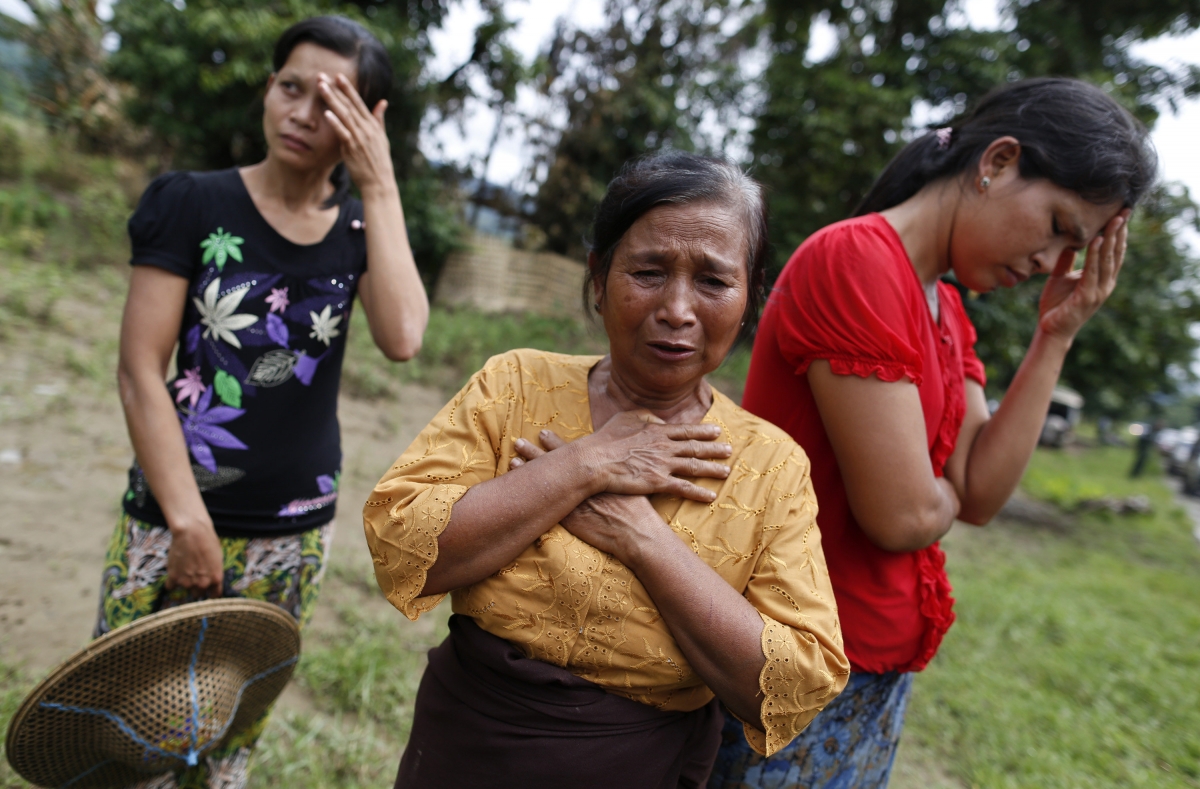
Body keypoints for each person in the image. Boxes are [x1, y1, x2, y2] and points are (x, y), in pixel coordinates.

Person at [711, 77, 1156, 788]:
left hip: (870, 672)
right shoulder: (856, 262)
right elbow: (903, 515)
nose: (1052, 262)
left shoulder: (946, 305)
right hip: (797, 662)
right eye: (1058, 227)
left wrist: (1056, 336)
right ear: (998, 163)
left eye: (1075, 247)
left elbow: (976, 493)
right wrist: (934, 496)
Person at [364, 152, 850, 788]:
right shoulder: (514, 385)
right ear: (599, 277)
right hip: (466, 746)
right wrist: (584, 463)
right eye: (648, 271)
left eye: (712, 281)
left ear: (751, 297)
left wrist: (637, 535)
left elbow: (793, 679)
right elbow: (404, 545)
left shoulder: (772, 466)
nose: (677, 309)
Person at [98, 16, 429, 787]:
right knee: (123, 730)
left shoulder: (359, 230)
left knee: (229, 732)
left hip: (293, 536)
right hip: (169, 519)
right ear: (266, 90)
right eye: (290, 88)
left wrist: (378, 185)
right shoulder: (192, 203)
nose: (303, 115)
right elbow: (138, 370)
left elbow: (405, 336)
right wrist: (187, 521)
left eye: (331, 101)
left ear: (368, 121)